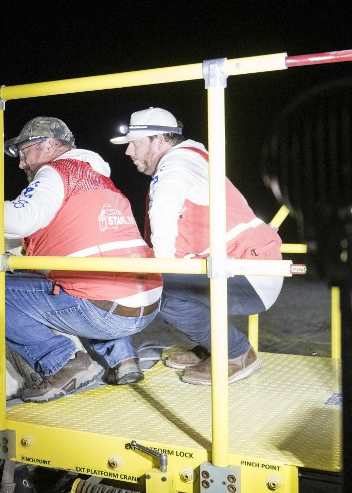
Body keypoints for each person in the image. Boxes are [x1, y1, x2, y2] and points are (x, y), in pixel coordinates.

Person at [0, 116, 162, 403]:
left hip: (104, 309)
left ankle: (62, 363)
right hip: (145, 302)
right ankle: (124, 362)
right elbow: (37, 238)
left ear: (49, 145)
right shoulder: (96, 179)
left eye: (24, 152)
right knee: (88, 283)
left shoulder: (56, 172)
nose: (21, 163)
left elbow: (20, 220)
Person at [110, 107, 283, 384]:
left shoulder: (176, 165)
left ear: (159, 140)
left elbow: (164, 212)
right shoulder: (192, 159)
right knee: (168, 285)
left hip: (247, 270)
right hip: (247, 263)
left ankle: (236, 354)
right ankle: (211, 348)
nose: (129, 151)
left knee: (159, 292)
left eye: (135, 143)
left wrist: (160, 269)